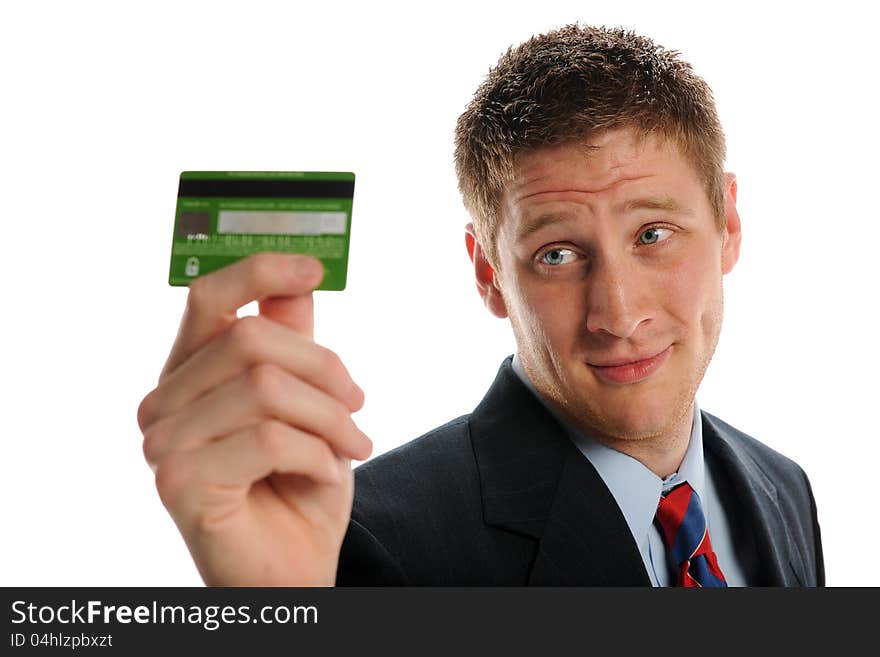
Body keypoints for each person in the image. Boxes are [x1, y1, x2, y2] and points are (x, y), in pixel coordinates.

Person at [138, 24, 824, 586]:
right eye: (557, 254)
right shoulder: (371, 544)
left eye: (653, 234)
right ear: (489, 272)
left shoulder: (783, 489)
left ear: (728, 226)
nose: (618, 313)